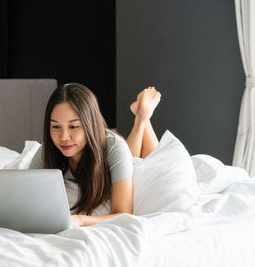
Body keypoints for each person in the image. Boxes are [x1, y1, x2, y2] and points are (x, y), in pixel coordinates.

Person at [29, 83, 161, 227]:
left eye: (73, 126)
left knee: (141, 160)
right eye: (55, 126)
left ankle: (143, 117)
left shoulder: (114, 147)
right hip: (115, 153)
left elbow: (123, 214)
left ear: (90, 123)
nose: (63, 137)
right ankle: (141, 117)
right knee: (129, 155)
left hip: (114, 152)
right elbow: (26, 198)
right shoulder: (47, 151)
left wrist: (80, 220)